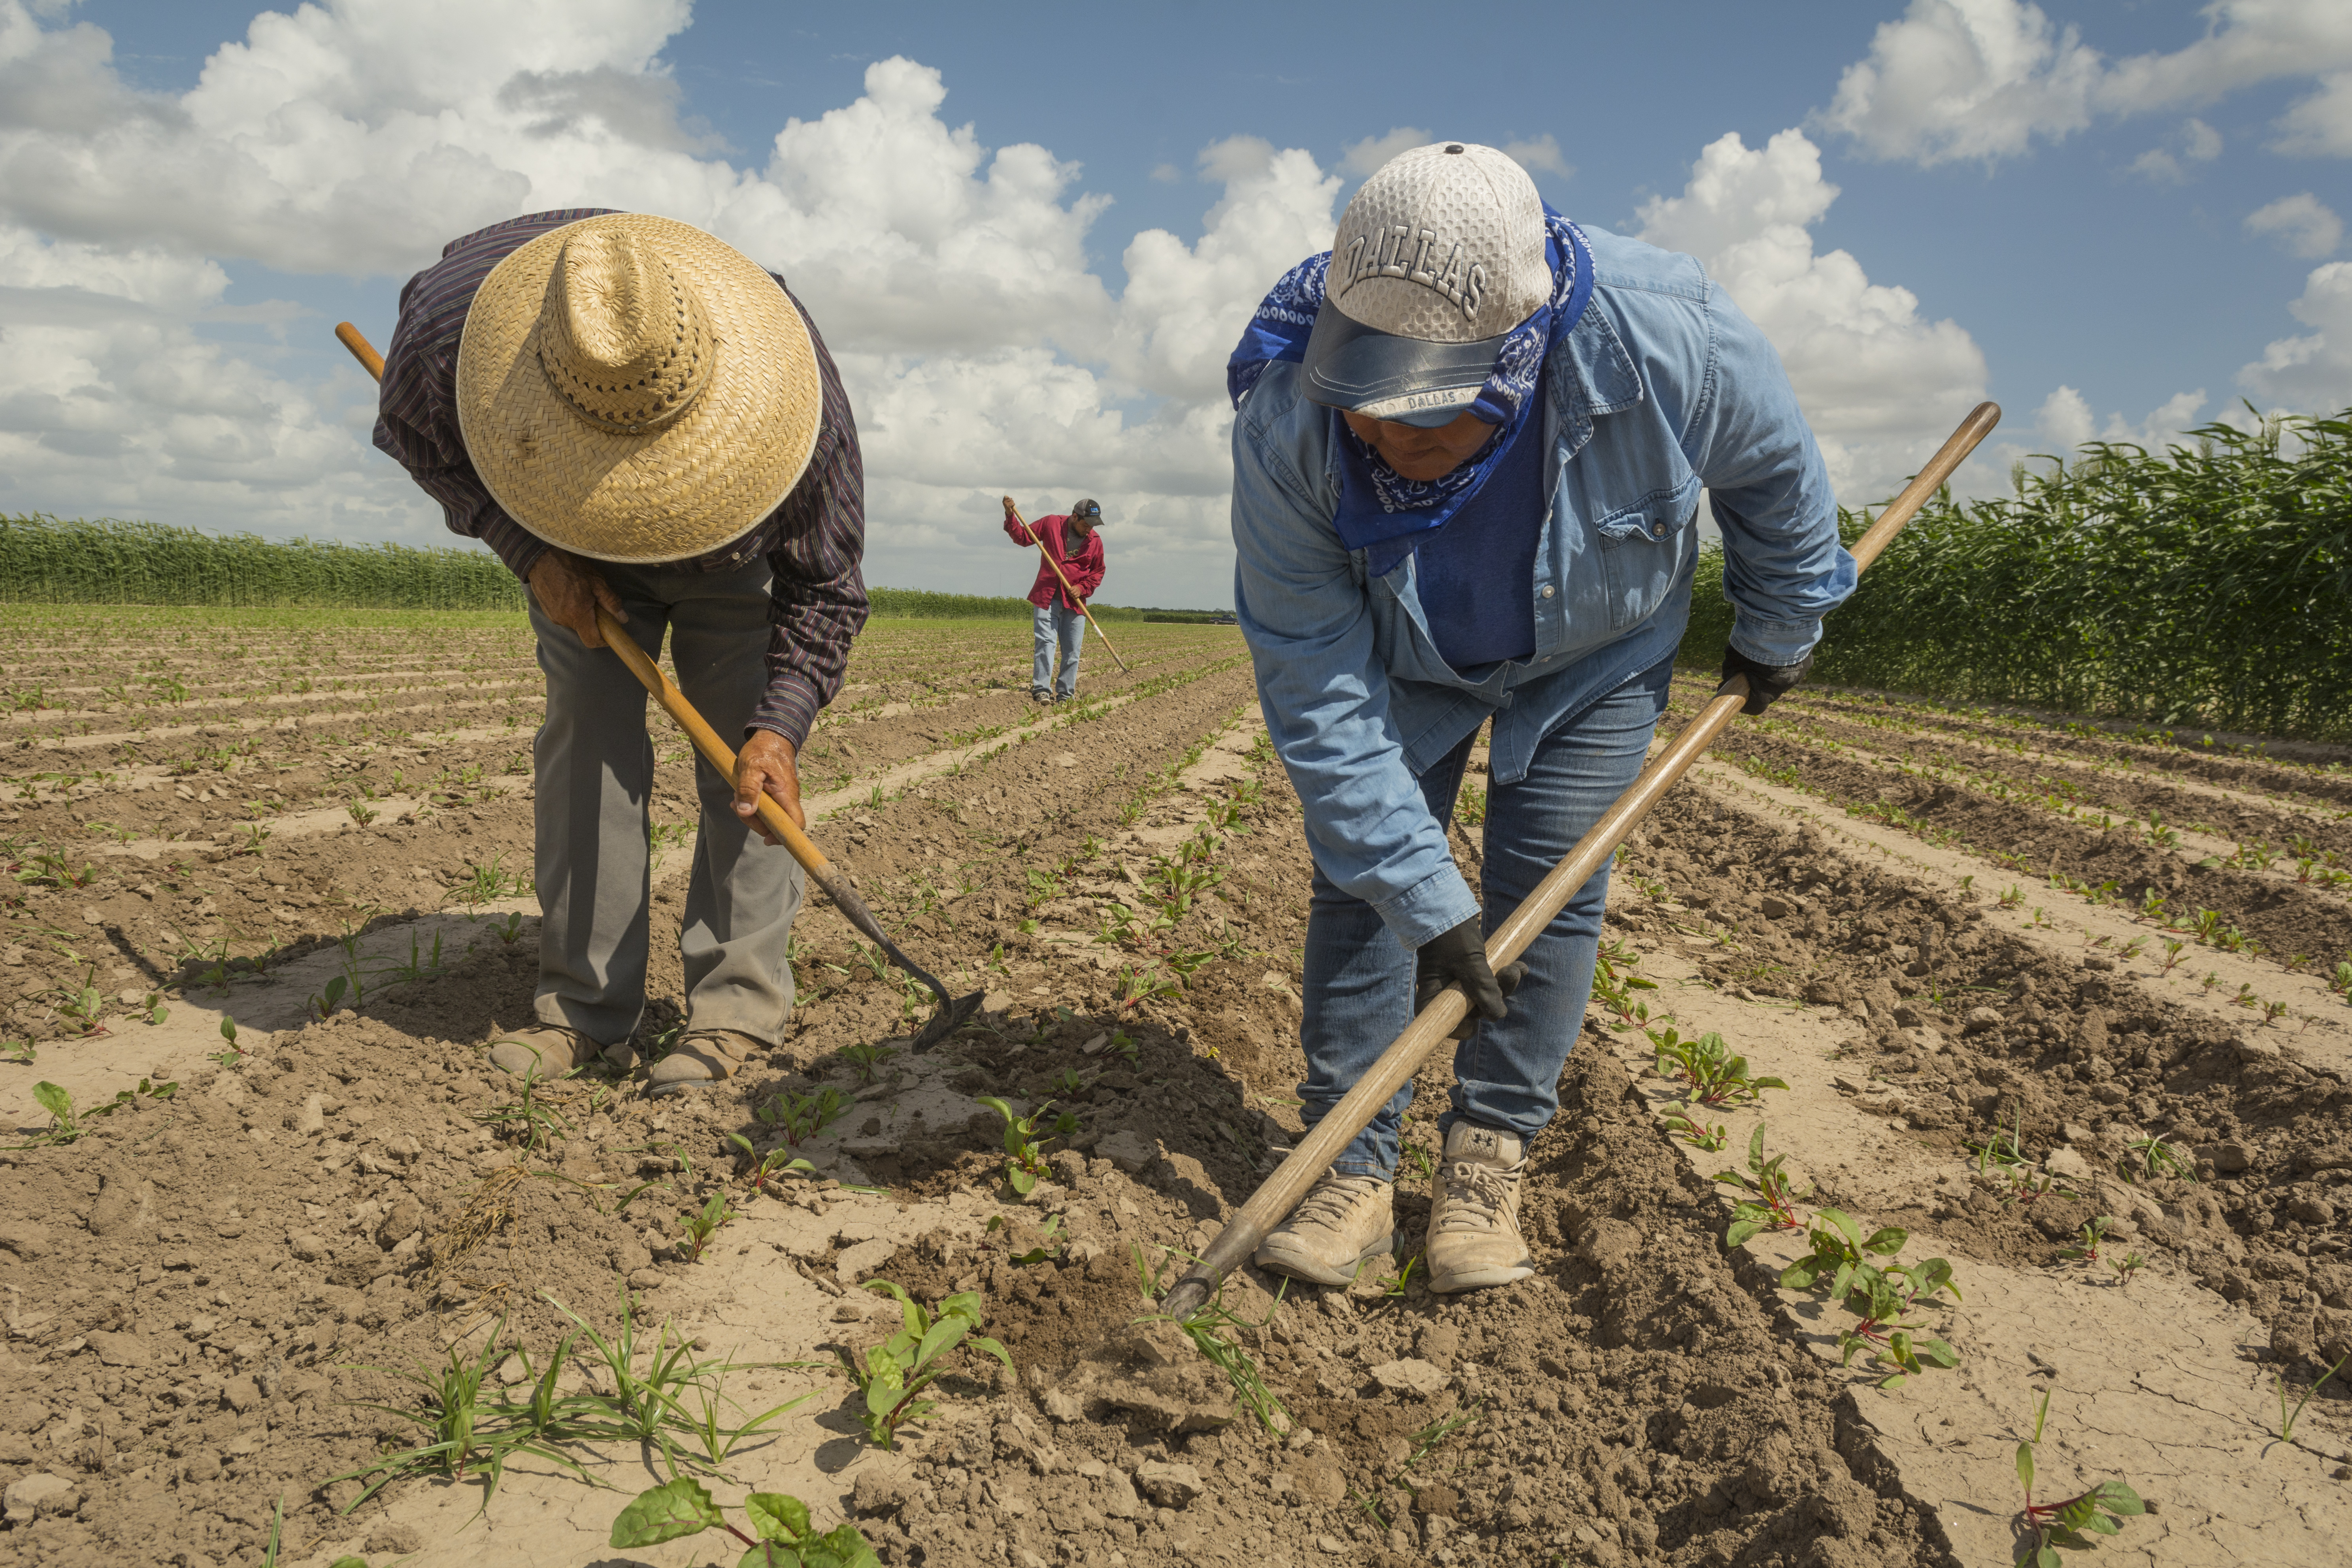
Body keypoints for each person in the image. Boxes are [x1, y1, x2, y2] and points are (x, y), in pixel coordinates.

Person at [1227, 143, 1850, 1293]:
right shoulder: (1288, 424)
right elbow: (1315, 678)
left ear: (1517, 360)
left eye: (1426, 412)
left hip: (1597, 657)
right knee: (1364, 888)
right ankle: (1349, 1169)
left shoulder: (1671, 333)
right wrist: (1424, 900)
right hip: (1396, 658)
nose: (1381, 435)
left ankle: (1485, 1166)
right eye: (1365, 399)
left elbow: (1775, 481)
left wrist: (1778, 626)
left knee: (1550, 893)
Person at [374, 209, 866, 1095]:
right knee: (587, 747)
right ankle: (584, 1013)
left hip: (733, 556)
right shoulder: (449, 326)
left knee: (747, 770)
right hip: (569, 543)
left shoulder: (800, 395)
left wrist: (781, 725)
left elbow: (826, 586)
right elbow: (417, 437)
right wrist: (526, 551)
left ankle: (735, 1013)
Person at [1003, 497, 1106, 702]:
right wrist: (1010, 515)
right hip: (1047, 597)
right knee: (1045, 643)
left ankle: (1066, 694)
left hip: (1075, 604)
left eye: (1093, 525)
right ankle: (1042, 689)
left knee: (1072, 651)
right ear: (1075, 517)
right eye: (1086, 524)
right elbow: (1023, 537)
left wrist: (1082, 588)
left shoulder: (1095, 541)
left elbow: (1098, 572)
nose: (1089, 530)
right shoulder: (1051, 523)